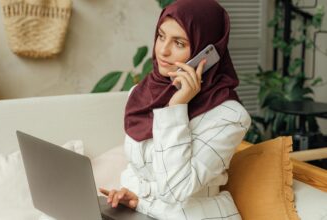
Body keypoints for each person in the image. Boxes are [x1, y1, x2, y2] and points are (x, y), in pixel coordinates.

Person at [100, 0, 251, 219]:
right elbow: (135, 170)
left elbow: (175, 189)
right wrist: (136, 198)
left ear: (205, 54)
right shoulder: (141, 94)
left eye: (179, 43)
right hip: (146, 214)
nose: (163, 50)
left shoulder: (230, 116)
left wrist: (176, 107)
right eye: (161, 36)